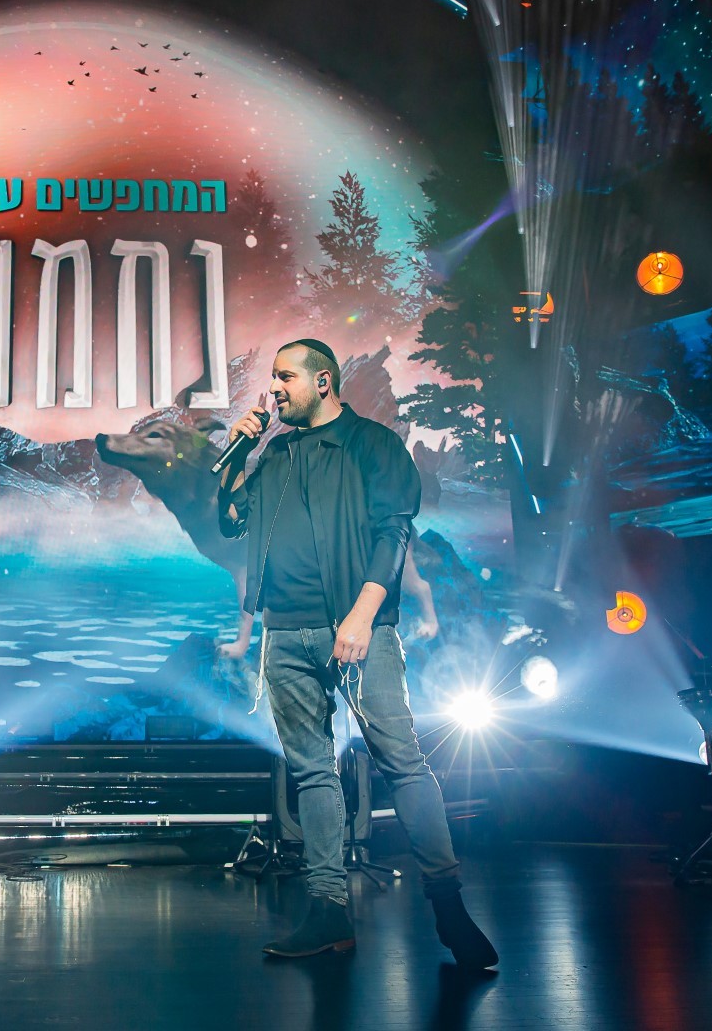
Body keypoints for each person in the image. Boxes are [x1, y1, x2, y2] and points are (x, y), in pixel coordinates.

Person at [217, 338, 496, 967]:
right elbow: (233, 520)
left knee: (403, 761)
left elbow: (393, 532)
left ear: (323, 381)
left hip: (356, 628)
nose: (274, 387)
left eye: (285, 376)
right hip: (285, 632)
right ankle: (327, 911)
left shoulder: (373, 444)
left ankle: (448, 904)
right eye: (273, 377)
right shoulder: (275, 452)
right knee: (312, 771)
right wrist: (238, 454)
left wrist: (363, 615)